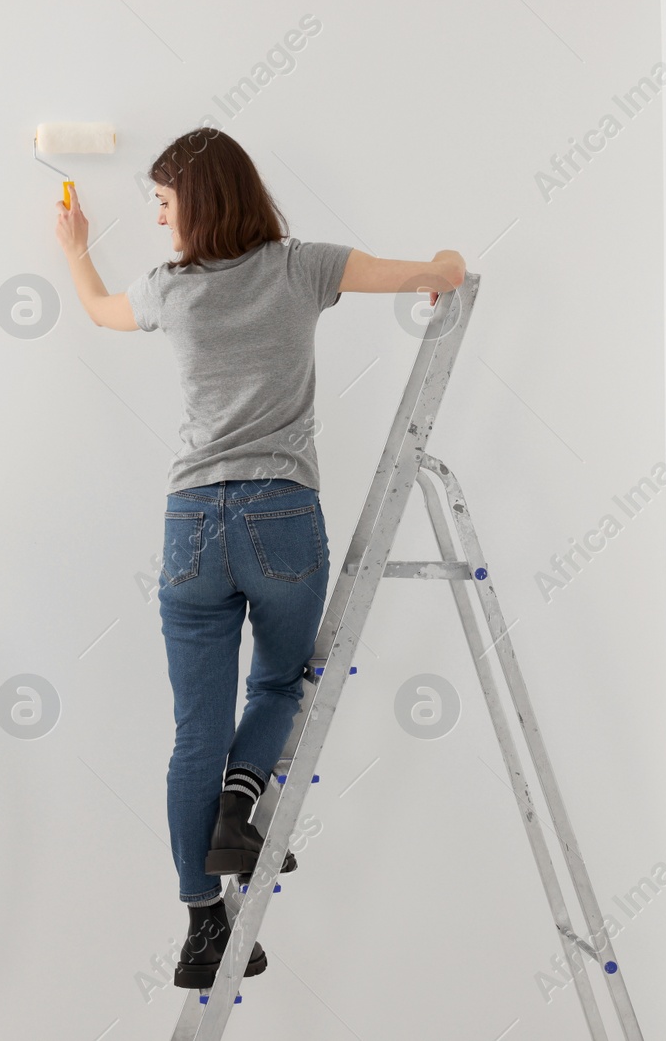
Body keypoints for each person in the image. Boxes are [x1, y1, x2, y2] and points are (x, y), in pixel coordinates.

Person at [55, 126, 465, 988]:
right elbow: (419, 276)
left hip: (191, 519)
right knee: (281, 685)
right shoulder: (300, 266)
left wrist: (76, 250)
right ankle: (241, 805)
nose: (162, 224)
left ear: (197, 204)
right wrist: (445, 262)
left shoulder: (170, 290)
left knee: (192, 732)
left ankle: (205, 922)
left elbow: (96, 311)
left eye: (165, 205)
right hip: (281, 513)